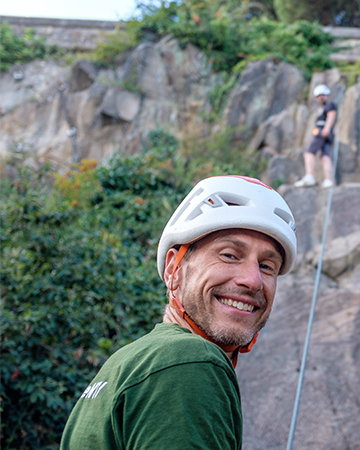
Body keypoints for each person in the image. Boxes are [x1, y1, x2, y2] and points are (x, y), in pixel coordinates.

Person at [60, 175, 297, 450]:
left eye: (267, 266)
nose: (253, 280)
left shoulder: (128, 362)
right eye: (229, 255)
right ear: (174, 269)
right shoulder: (188, 362)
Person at [294, 84, 337, 188]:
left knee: (309, 153)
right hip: (326, 133)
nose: (320, 97)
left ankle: (309, 177)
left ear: (327, 95)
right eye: (319, 96)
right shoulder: (323, 107)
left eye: (322, 95)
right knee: (324, 156)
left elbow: (331, 116)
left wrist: (326, 129)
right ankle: (328, 180)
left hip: (322, 131)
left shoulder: (329, 105)